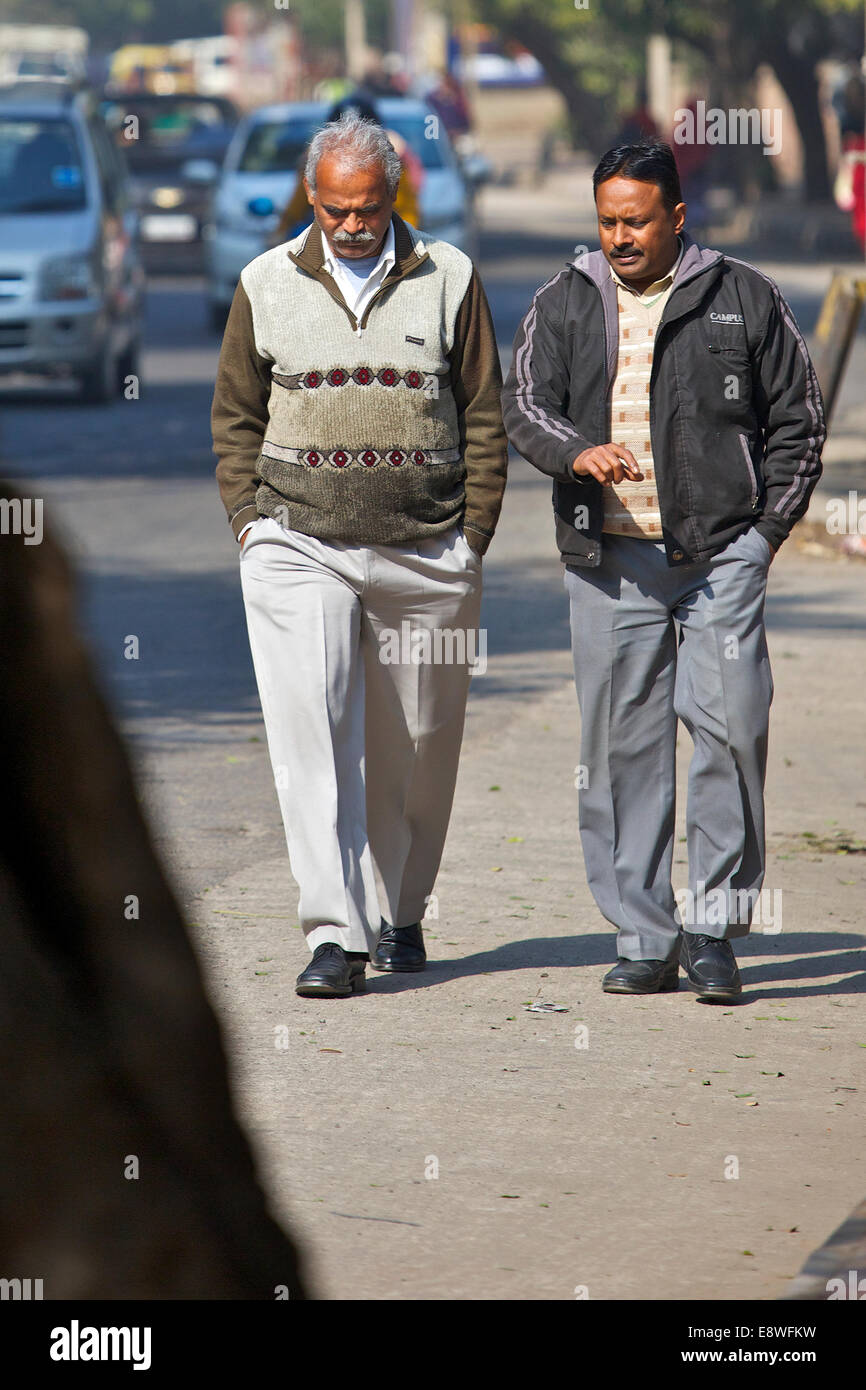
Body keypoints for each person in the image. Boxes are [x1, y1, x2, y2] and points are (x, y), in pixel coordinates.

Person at [502, 141, 825, 1002]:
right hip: (609, 565)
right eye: (606, 220)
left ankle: (715, 931)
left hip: (720, 558)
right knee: (622, 752)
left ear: (677, 216)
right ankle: (644, 935)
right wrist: (577, 453)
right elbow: (524, 406)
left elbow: (800, 423)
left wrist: (761, 539)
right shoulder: (564, 301)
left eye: (635, 220)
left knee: (730, 733)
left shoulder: (744, 297)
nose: (619, 237)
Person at [212, 111, 507, 998]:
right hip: (299, 544)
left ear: (393, 198)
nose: (351, 225)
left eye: (368, 209)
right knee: (313, 735)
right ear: (313, 197)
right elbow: (236, 417)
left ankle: (401, 912)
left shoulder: (448, 276)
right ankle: (333, 933)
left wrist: (473, 537)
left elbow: (483, 412)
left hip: (426, 551)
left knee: (416, 744)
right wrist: (249, 523)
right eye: (336, 209)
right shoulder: (264, 282)